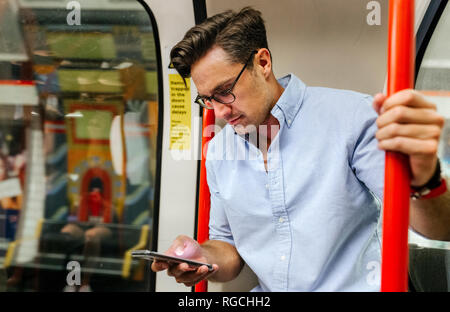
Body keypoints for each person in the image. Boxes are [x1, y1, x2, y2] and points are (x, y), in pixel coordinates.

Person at [152, 7, 450, 291]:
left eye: (225, 91)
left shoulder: (350, 118)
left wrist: (426, 182)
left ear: (263, 63)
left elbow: (439, 229)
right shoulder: (219, 152)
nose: (218, 113)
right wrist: (201, 257)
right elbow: (227, 248)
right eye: (207, 99)